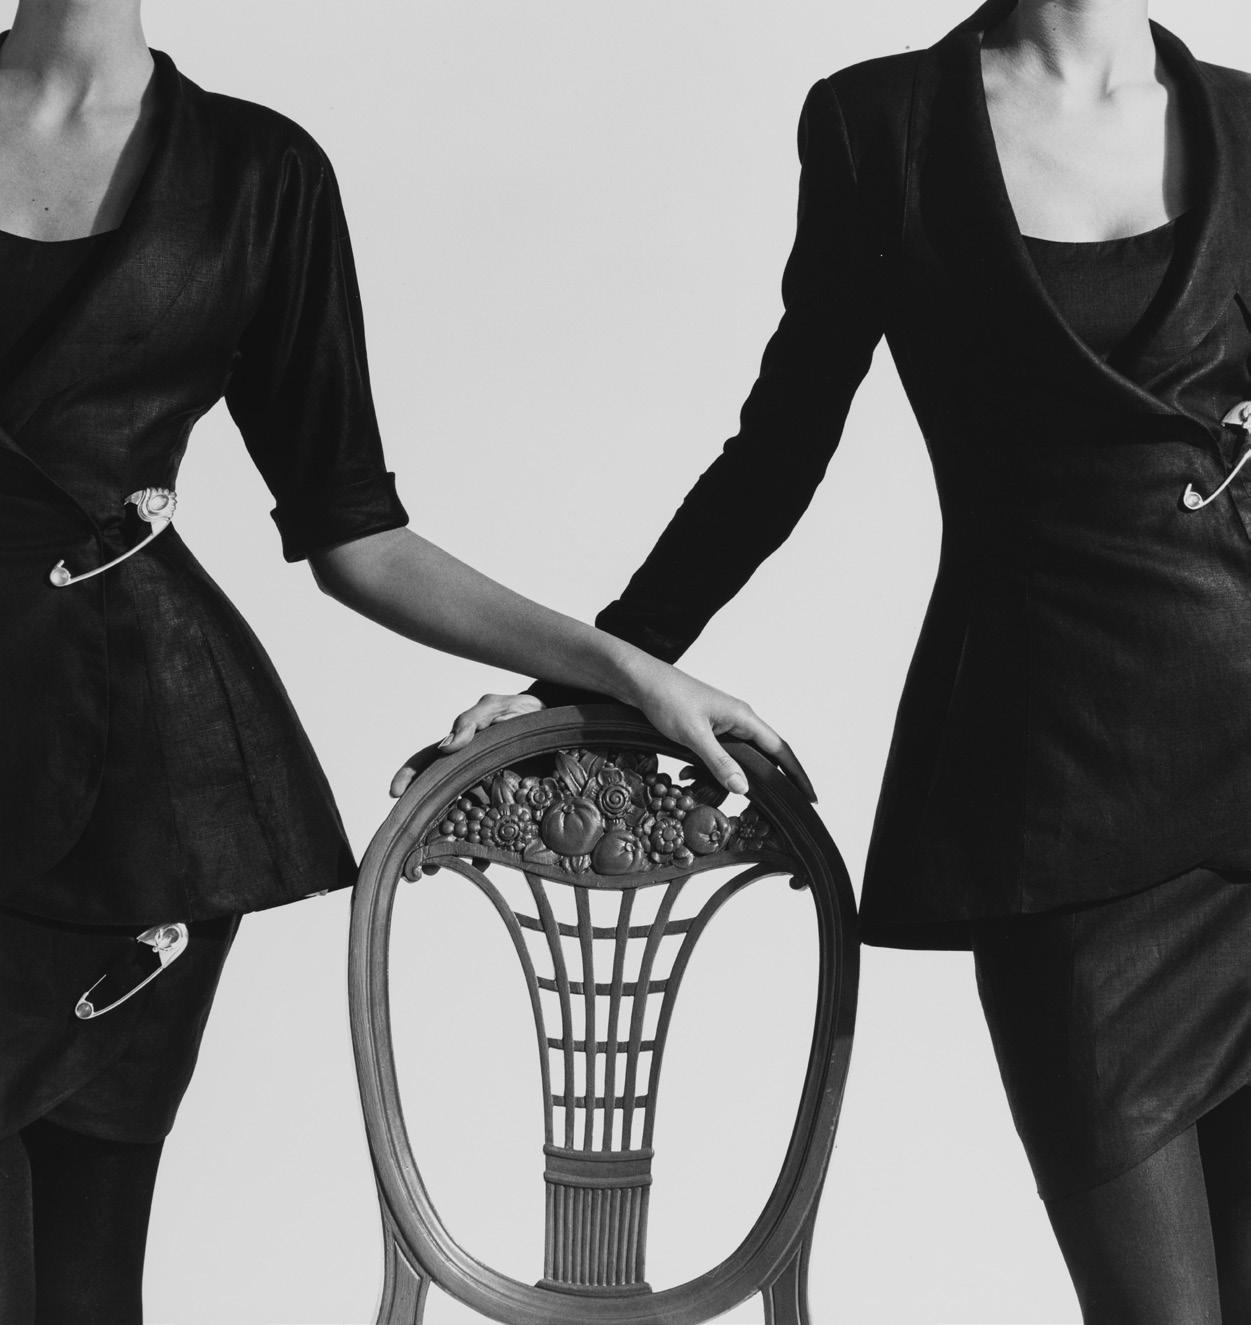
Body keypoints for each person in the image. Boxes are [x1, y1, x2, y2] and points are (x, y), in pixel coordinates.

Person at [436, 0, 1251, 1318]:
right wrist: (590, 673)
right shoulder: (886, 126)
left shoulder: (1247, 122)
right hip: (1063, 795)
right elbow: (780, 450)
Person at [0, 2, 810, 1322]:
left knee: (83, 1283)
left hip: (130, 793)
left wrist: (623, 667)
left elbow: (357, 535)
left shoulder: (258, 174)